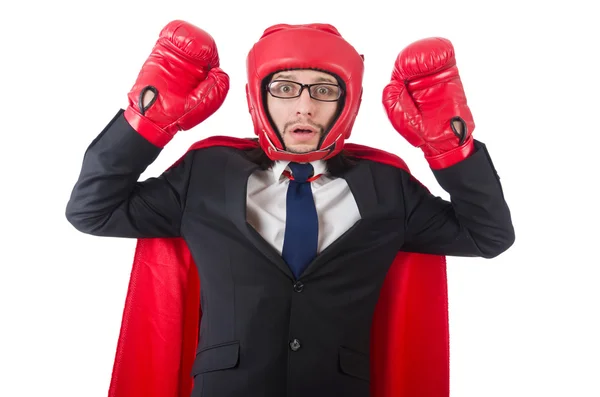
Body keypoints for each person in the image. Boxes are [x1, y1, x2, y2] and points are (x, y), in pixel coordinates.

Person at [65, 20, 515, 397]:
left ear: (348, 99)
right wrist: (147, 120)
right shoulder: (206, 173)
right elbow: (92, 210)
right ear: (258, 97)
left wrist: (451, 146)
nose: (304, 107)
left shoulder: (385, 185)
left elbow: (487, 235)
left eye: (323, 90)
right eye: (284, 88)